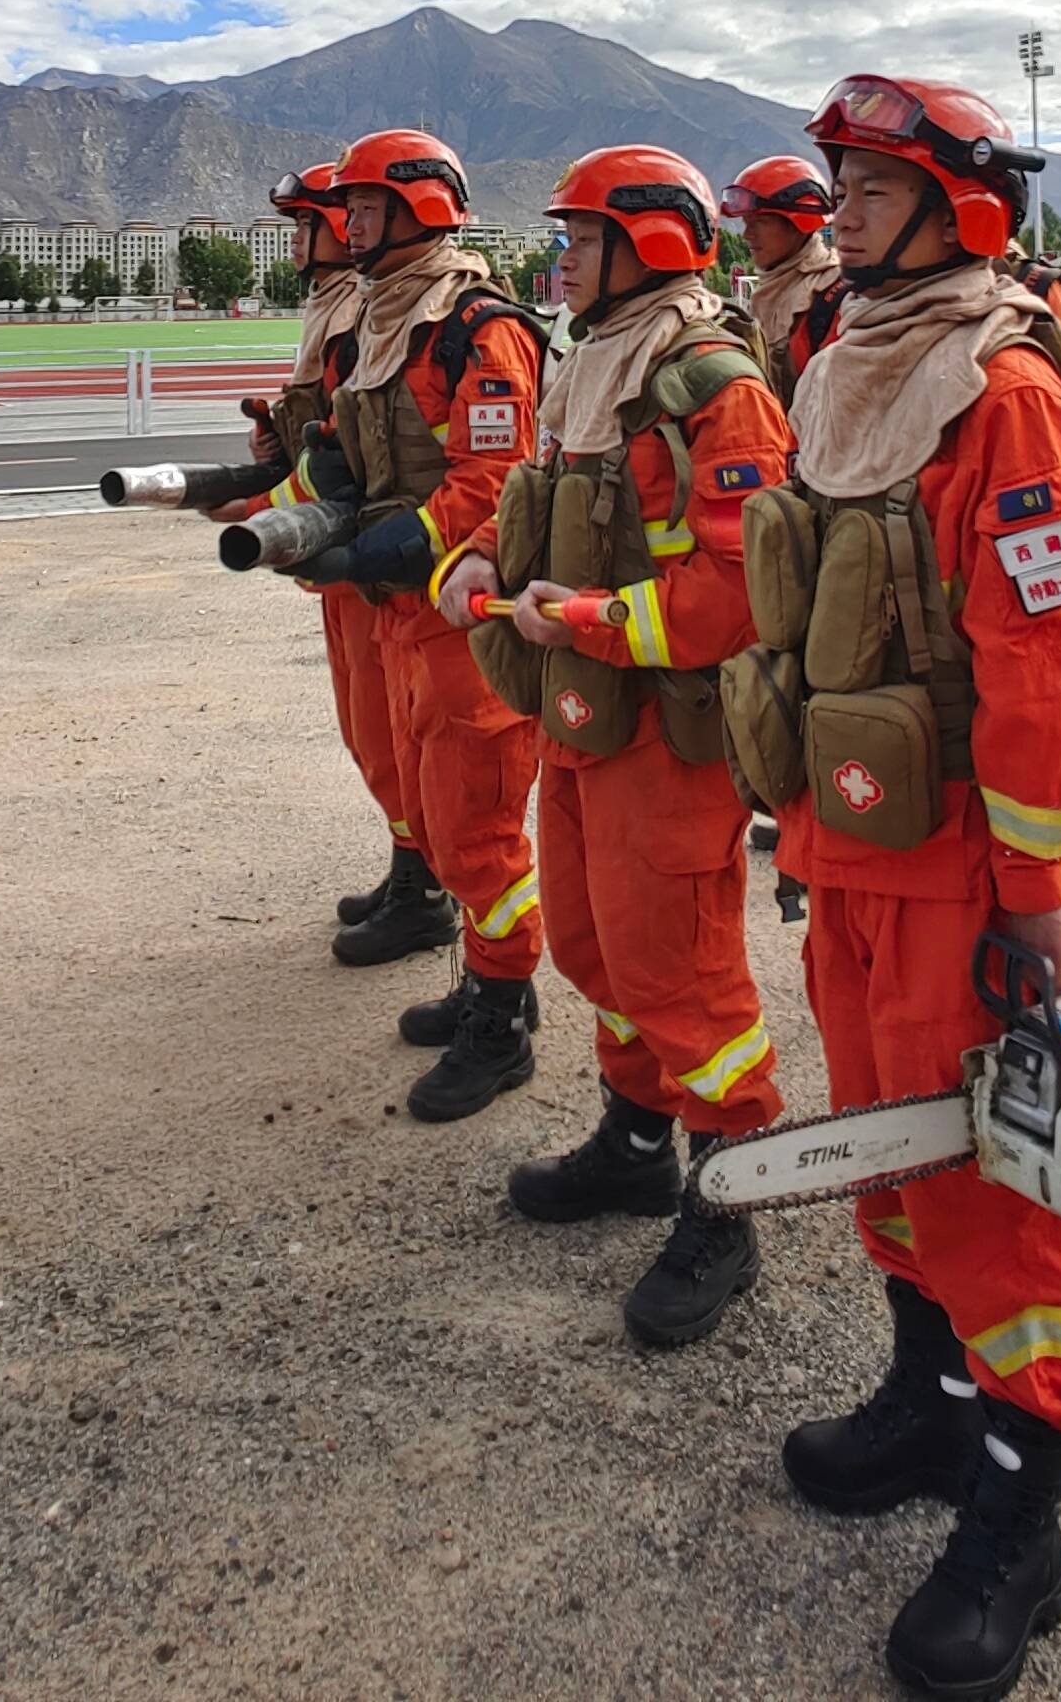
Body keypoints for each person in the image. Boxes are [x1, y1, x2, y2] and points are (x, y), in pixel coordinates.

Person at [746, 75, 1061, 1702]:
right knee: (894, 1146)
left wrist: (1038, 895)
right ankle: (930, 1401)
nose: (840, 206)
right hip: (856, 838)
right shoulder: (846, 363)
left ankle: (1025, 1517)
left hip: (969, 870)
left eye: (874, 186)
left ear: (961, 204)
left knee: (1006, 1186)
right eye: (838, 181)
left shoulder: (1004, 386)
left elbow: (1044, 665)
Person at [433, 147, 795, 1347]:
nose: (560, 256)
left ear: (649, 243)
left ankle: (726, 1191)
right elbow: (533, 493)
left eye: (581, 237)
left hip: (665, 735)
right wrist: (479, 555)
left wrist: (591, 619)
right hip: (586, 714)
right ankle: (636, 1143)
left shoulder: (708, 381)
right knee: (593, 943)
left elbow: (739, 586)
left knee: (682, 971)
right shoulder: (590, 362)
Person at [323, 127, 556, 1117]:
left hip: (462, 617)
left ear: (420, 208)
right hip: (403, 618)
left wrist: (403, 542)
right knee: (436, 812)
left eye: (367, 208)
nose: (350, 225)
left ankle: (501, 1023)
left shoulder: (473, 326)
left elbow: (494, 481)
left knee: (479, 829)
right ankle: (481, 979)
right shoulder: (386, 320)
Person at [251, 165, 449, 962]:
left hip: (385, 555)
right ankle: (412, 865)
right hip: (350, 548)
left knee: (396, 731)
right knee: (372, 732)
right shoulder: (345, 312)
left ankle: (425, 882)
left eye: (317, 221)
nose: (307, 239)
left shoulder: (375, 316)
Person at [721, 154, 844, 395]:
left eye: (761, 222)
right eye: (746, 223)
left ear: (799, 223)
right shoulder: (769, 295)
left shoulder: (835, 300)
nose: (747, 235)